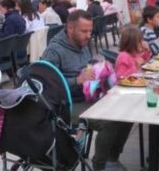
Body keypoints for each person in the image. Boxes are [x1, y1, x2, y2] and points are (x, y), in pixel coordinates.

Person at [42, 10, 132, 171]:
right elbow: (47, 86)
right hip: (67, 105)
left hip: (88, 95)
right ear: (70, 29)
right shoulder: (54, 50)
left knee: (126, 111)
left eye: (90, 31)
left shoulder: (82, 43)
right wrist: (77, 80)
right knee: (108, 122)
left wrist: (100, 67)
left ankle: (112, 158)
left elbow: (87, 64)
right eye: (84, 31)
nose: (88, 35)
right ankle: (100, 165)